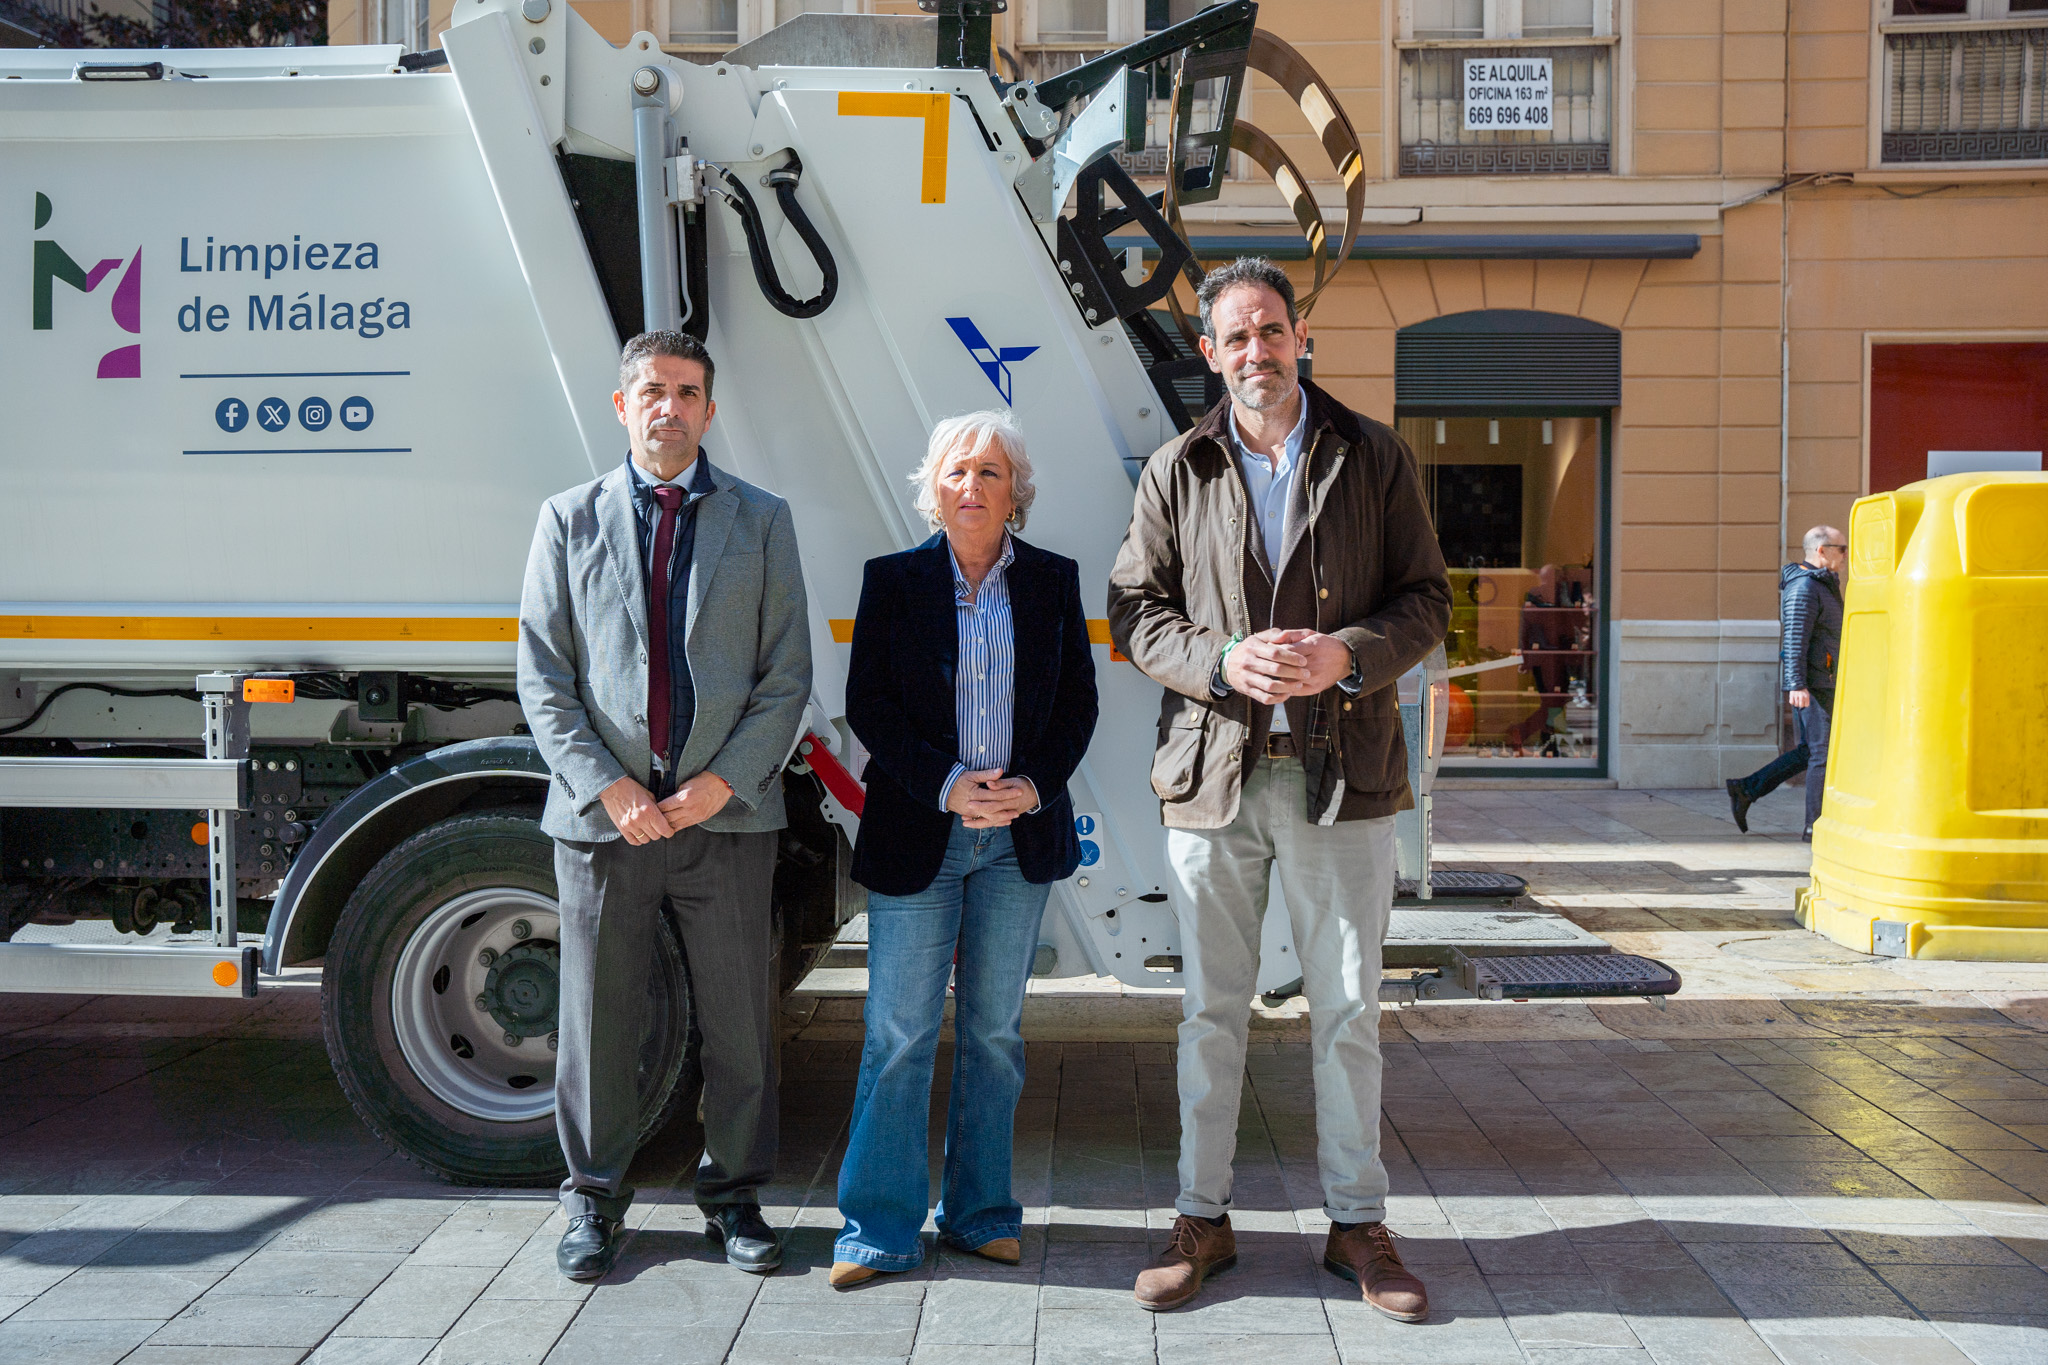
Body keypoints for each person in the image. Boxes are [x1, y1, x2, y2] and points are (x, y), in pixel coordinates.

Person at [1107, 259, 1450, 1320]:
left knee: (1346, 1009)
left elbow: (1427, 600)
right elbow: (1132, 610)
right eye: (1233, 339)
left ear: (1299, 336)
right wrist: (1219, 662)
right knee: (1210, 1012)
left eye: (1270, 331)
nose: (1254, 353)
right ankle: (1198, 1219)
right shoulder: (1177, 466)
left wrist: (1345, 655)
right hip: (1213, 779)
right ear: (1207, 355)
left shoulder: (1372, 455)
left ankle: (1357, 1223)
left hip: (1339, 777)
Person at [517, 329, 812, 1282]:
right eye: (652, 390)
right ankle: (594, 1199)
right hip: (607, 825)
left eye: (687, 392)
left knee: (738, 1022)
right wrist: (612, 787)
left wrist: (718, 783)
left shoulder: (762, 521)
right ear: (621, 405)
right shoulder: (568, 519)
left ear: (709, 409)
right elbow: (544, 676)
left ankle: (733, 1196)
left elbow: (785, 676)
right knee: (599, 1019)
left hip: (722, 820)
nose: (669, 407)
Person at [830, 410, 1098, 1287]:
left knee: (994, 1032)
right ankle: (877, 1227)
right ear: (932, 488)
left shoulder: (1053, 582)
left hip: (1016, 843)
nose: (972, 486)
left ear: (1015, 490)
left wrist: (1034, 785)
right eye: (956, 471)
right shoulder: (895, 580)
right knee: (897, 1032)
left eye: (990, 471)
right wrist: (948, 784)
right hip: (922, 834)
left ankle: (981, 1214)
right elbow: (869, 704)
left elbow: (1077, 708)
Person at [1726, 526, 1845, 840]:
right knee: (1822, 753)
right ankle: (1814, 827)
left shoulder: (1822, 584)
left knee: (1809, 751)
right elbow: (1794, 637)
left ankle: (1745, 789)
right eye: (1841, 549)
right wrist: (1796, 684)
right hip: (1814, 683)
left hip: (1823, 678)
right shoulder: (1805, 587)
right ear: (1822, 550)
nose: (1845, 556)